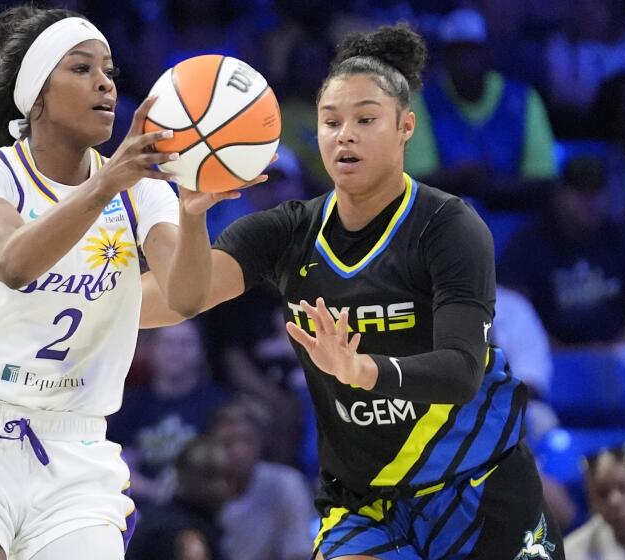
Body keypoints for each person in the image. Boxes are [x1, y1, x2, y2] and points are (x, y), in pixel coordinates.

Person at [145, 23, 564, 559]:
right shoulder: (284, 232)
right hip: (365, 502)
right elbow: (180, 297)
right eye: (331, 121)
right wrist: (186, 215)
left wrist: (366, 371)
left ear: (405, 127)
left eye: (366, 120)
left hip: (476, 485)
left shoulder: (451, 227)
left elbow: (460, 371)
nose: (345, 134)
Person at [0, 5, 259, 560]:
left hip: (77, 452)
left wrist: (192, 214)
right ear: (36, 96)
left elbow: (185, 297)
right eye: (81, 68)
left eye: (110, 71)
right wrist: (107, 182)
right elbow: (16, 264)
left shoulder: (144, 193)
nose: (105, 83)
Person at [404, 8, 557, 211]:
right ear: (445, 59)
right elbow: (415, 180)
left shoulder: (523, 99)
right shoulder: (422, 102)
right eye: (457, 54)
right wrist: (460, 178)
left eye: (472, 53)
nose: (466, 64)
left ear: (487, 54)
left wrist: (490, 185)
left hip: (514, 218)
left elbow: (543, 177)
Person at [497, 155, 625, 348]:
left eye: (596, 192)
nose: (589, 201)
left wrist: (614, 350)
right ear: (559, 195)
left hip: (619, 354)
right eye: (579, 192)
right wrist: (568, 355)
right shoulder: (528, 243)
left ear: (608, 196)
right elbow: (512, 315)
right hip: (551, 357)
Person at [108, 321, 231, 507]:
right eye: (168, 343)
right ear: (151, 349)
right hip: (140, 507)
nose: (176, 352)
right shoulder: (130, 403)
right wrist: (154, 491)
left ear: (201, 351)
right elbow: (119, 464)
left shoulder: (219, 403)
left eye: (185, 343)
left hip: (203, 506)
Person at [210, 402, 315, 560]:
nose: (239, 452)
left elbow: (299, 552)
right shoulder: (191, 481)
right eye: (227, 442)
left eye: (247, 441)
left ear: (262, 441)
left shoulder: (287, 484)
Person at [126, 436, 234, 560]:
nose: (220, 486)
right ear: (183, 474)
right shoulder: (181, 535)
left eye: (227, 477)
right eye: (210, 475)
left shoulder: (200, 524)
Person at [564, 442, 625, 560]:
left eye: (624, 488)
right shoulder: (572, 553)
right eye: (602, 494)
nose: (614, 501)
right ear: (590, 500)